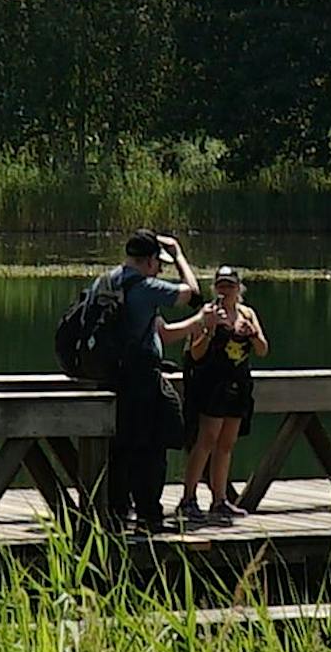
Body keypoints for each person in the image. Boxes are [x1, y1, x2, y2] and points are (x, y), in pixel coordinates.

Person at [103, 229, 215, 535]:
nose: (161, 268)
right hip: (141, 378)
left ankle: (118, 512)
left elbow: (162, 333)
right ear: (150, 261)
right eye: (159, 262)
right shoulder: (145, 286)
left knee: (125, 445)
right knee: (152, 444)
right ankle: (149, 516)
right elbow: (194, 294)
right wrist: (179, 255)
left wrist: (196, 325)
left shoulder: (109, 281)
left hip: (116, 377)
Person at [176, 264, 269, 526]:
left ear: (239, 288)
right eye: (221, 285)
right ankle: (188, 499)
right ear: (214, 287)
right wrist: (209, 329)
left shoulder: (247, 314)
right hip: (211, 384)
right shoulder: (206, 313)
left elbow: (262, 350)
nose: (225, 290)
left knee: (226, 443)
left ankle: (219, 500)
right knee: (205, 440)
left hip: (238, 384)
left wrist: (252, 334)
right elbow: (194, 354)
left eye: (230, 285)